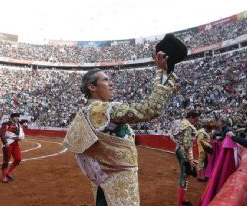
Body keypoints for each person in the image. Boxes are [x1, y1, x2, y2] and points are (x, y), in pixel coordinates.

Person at [63, 51, 177, 206]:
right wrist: (162, 73)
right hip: (120, 182)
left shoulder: (85, 112)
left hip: (103, 179)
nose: (111, 83)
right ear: (92, 87)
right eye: (106, 80)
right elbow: (151, 109)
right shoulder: (104, 109)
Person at [173, 110, 200, 205]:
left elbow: (172, 137)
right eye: (195, 120)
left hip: (178, 149)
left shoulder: (179, 123)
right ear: (191, 117)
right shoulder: (188, 126)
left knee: (185, 175)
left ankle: (183, 198)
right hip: (184, 152)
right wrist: (190, 159)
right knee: (184, 176)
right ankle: (181, 201)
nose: (195, 122)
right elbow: (187, 144)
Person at [0, 113, 25, 183]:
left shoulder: (19, 125)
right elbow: (2, 134)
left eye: (18, 117)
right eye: (16, 117)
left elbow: (22, 136)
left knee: (18, 159)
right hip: (8, 144)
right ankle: (4, 177)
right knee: (6, 160)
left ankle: (8, 173)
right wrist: (5, 142)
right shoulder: (6, 124)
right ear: (12, 118)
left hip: (15, 144)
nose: (17, 118)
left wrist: (19, 137)